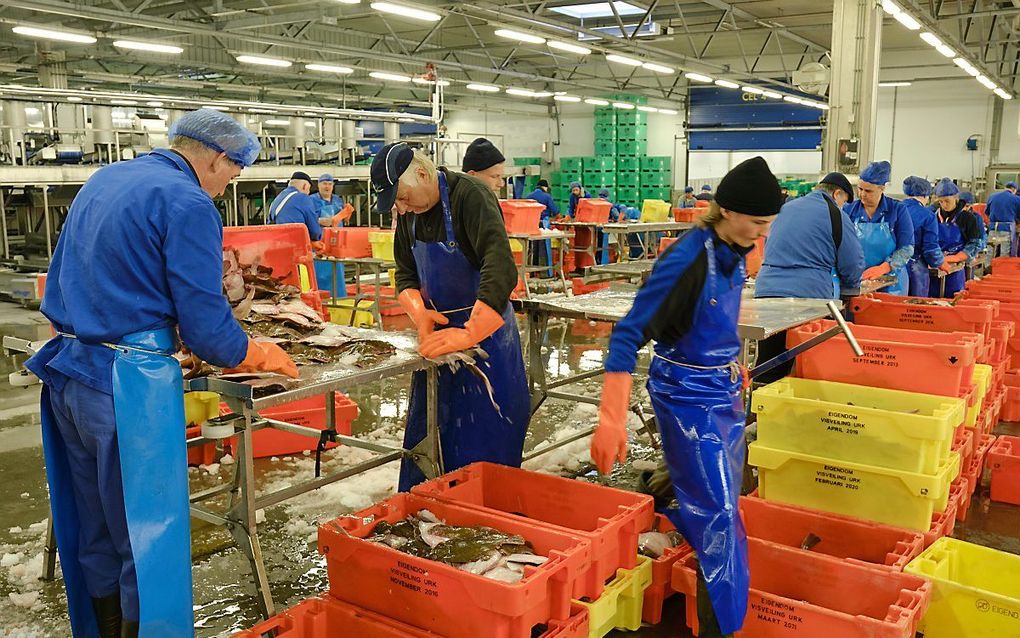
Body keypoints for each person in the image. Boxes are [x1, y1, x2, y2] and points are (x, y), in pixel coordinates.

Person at [25, 109, 298, 638]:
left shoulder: (106, 179)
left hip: (68, 372)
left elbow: (63, 276)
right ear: (218, 157)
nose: (224, 190)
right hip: (127, 387)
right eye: (231, 177)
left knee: (95, 525)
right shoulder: (188, 202)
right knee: (146, 536)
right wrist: (260, 353)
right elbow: (206, 329)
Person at [591, 156, 783, 638]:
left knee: (723, 499)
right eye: (757, 223)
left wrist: (730, 361)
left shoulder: (732, 248)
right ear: (727, 210)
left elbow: (713, 320)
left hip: (721, 386)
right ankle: (725, 629)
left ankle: (669, 506)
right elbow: (627, 335)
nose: (762, 234)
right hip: (686, 397)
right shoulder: (686, 258)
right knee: (720, 520)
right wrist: (611, 416)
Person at [375, 142, 529, 491]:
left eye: (402, 197)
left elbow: (500, 267)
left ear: (425, 175)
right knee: (430, 444)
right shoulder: (409, 214)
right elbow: (405, 273)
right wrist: (420, 314)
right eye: (396, 203)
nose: (401, 208)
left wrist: (471, 332)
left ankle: (488, 524)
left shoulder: (470, 196)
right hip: (439, 344)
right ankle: (429, 520)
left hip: (487, 345)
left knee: (486, 454)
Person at [756, 171, 864, 300]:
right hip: (809, 294)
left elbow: (767, 247)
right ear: (837, 194)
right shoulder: (836, 215)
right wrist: (849, 290)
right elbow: (852, 262)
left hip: (766, 289)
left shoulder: (785, 208)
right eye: (844, 201)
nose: (842, 206)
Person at [842, 160, 914, 295]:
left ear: (882, 188)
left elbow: (906, 248)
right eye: (860, 189)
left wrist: (884, 267)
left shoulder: (897, 210)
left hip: (891, 281)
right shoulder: (849, 210)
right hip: (859, 280)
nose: (862, 194)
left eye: (868, 191)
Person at [931, 178, 983, 297]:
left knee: (953, 300)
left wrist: (954, 258)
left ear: (956, 198)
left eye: (947, 201)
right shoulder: (932, 217)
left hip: (956, 268)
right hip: (935, 266)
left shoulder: (967, 218)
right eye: (941, 201)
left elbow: (974, 243)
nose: (944, 205)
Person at [900, 176, 949, 297]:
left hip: (891, 267)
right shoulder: (927, 215)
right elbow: (930, 249)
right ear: (926, 195)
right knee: (914, 309)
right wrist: (941, 262)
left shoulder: (894, 209)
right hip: (915, 267)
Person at [269, 171, 324, 250]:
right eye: (308, 190)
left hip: (275, 246)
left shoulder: (278, 198)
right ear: (304, 186)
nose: (308, 193)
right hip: (293, 247)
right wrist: (317, 238)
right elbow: (314, 231)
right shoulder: (302, 198)